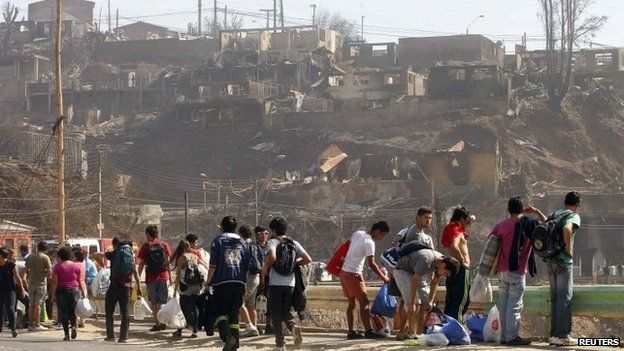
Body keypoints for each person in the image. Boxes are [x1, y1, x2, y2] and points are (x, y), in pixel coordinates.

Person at [490, 197, 547, 346]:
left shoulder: (501, 226)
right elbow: (546, 225)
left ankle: (503, 337)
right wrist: (536, 211)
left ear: (508, 210)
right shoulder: (530, 224)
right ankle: (512, 337)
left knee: (504, 305)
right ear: (522, 210)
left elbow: (491, 245)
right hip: (517, 271)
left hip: (502, 271)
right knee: (514, 305)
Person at [259, 217, 311, 351]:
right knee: (285, 311)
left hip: (275, 283)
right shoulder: (294, 243)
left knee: (276, 314)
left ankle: (279, 344)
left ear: (273, 230)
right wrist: (294, 264)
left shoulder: (272, 242)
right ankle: (293, 328)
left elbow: (273, 257)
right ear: (286, 229)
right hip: (290, 283)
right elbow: (307, 259)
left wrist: (265, 268)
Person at [205, 216, 250, 350]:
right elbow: (246, 265)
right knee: (234, 315)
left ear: (221, 227)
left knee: (220, 313)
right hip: (239, 283)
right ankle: (235, 345)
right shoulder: (243, 243)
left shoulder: (218, 241)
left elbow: (213, 265)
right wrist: (243, 283)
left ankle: (227, 337)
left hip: (221, 282)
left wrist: (208, 283)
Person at [340, 221, 390, 340]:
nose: (381, 238)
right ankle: (368, 331)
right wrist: (385, 278)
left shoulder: (358, 233)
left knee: (352, 304)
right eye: (382, 235)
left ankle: (351, 332)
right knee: (365, 303)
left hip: (343, 272)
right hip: (354, 274)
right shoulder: (369, 242)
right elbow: (372, 264)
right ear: (377, 231)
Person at [394, 248, 459, 337]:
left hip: (416, 273)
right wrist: (412, 303)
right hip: (403, 271)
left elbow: (435, 282)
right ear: (443, 265)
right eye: (446, 274)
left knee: (425, 305)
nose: (445, 276)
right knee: (414, 304)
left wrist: (430, 301)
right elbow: (414, 281)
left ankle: (420, 334)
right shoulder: (426, 259)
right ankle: (407, 332)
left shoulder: (440, 263)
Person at [547, 191, 582, 347]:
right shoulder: (573, 215)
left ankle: (554, 335)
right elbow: (567, 229)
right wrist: (569, 250)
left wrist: (535, 212)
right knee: (565, 299)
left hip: (550, 261)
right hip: (563, 262)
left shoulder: (556, 213)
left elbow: (544, 225)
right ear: (578, 204)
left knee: (555, 299)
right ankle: (563, 336)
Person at [105, 238, 142, 343]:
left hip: (114, 286)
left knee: (109, 311)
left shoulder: (114, 254)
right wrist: (139, 287)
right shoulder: (130, 257)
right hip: (126, 287)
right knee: (125, 313)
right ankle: (123, 337)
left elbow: (101, 255)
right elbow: (135, 273)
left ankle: (110, 336)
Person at [137, 225, 173, 332]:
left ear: (148, 234)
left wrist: (138, 278)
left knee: (153, 302)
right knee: (161, 302)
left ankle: (157, 323)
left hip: (151, 277)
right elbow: (168, 263)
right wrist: (170, 276)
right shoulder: (164, 245)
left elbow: (141, 264)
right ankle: (162, 322)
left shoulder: (146, 247)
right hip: (163, 276)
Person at [50, 246, 87, 341]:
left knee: (63, 313)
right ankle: (74, 326)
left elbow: (54, 282)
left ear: (61, 256)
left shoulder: (58, 267)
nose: (56, 259)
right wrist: (83, 292)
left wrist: (53, 294)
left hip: (62, 291)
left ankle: (66, 334)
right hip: (74, 291)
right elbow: (80, 280)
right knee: (72, 310)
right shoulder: (76, 266)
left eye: (57, 257)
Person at [441, 206, 471, 321]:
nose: (468, 223)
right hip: (461, 269)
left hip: (452, 268)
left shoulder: (450, 228)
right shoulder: (457, 231)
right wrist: (462, 261)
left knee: (451, 300)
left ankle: (446, 325)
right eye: (467, 220)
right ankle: (456, 326)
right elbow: (454, 245)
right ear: (462, 219)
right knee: (462, 300)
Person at [170, 239, 202, 339]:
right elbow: (203, 266)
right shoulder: (194, 256)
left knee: (183, 308)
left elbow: (179, 275)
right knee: (194, 308)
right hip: (196, 285)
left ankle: (180, 330)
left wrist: (175, 291)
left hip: (186, 286)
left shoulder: (181, 258)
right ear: (188, 247)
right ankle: (195, 331)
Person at [238, 225, 261, 338]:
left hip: (248, 277)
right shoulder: (255, 245)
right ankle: (254, 327)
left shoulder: (243, 245)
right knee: (251, 304)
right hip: (256, 276)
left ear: (240, 234)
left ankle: (249, 326)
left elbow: (244, 262)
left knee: (239, 302)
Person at [24, 241, 52, 332]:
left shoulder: (30, 257)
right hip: (41, 283)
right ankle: (37, 324)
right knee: (38, 304)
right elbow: (49, 272)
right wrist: (43, 274)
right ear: (45, 249)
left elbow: (26, 270)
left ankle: (30, 324)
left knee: (31, 304)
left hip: (31, 283)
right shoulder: (45, 257)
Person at [0, 247, 25, 337]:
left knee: (10, 308)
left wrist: (22, 290)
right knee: (1, 309)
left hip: (10, 290)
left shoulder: (11, 265)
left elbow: (18, 278)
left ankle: (13, 329)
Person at [254, 226, 273, 334]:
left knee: (268, 301)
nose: (264, 235)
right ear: (256, 235)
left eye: (266, 233)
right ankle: (255, 325)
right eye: (261, 233)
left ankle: (268, 325)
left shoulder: (269, 246)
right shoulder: (253, 247)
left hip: (268, 277)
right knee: (255, 302)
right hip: (256, 277)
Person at [71, 247, 97, 328]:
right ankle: (81, 321)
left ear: (76, 257)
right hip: (83, 285)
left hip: (77, 285)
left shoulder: (75, 265)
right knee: (81, 304)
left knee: (75, 305)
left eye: (73, 256)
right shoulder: (83, 264)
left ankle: (75, 322)